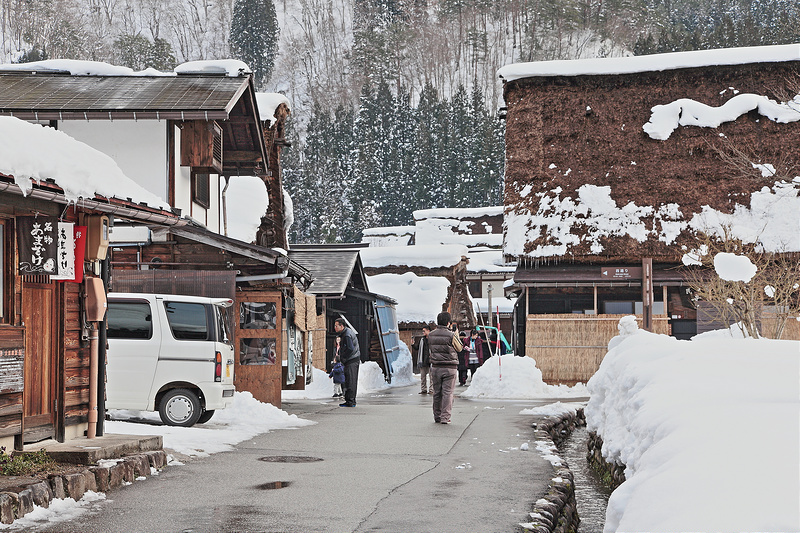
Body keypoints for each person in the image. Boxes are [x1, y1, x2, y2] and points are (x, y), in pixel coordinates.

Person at [428, 311, 463, 424]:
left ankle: (437, 416)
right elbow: (459, 348)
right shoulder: (451, 335)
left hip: (436, 366)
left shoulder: (431, 334)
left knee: (437, 392)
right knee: (447, 393)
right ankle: (445, 417)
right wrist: (455, 334)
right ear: (448, 323)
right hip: (449, 367)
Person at [334, 317, 361, 407]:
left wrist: (344, 358)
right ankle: (349, 400)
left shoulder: (346, 334)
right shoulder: (345, 333)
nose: (335, 327)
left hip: (352, 360)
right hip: (351, 359)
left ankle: (351, 401)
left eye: (336, 326)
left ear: (342, 326)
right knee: (349, 380)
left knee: (351, 381)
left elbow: (350, 348)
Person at [412, 325, 432, 394]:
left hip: (431, 360)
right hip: (423, 360)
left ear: (428, 330)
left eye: (424, 331)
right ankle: (423, 389)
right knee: (423, 377)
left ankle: (431, 389)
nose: (423, 332)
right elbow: (417, 348)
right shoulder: (422, 340)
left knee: (431, 377)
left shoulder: (433, 338)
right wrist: (413, 344)